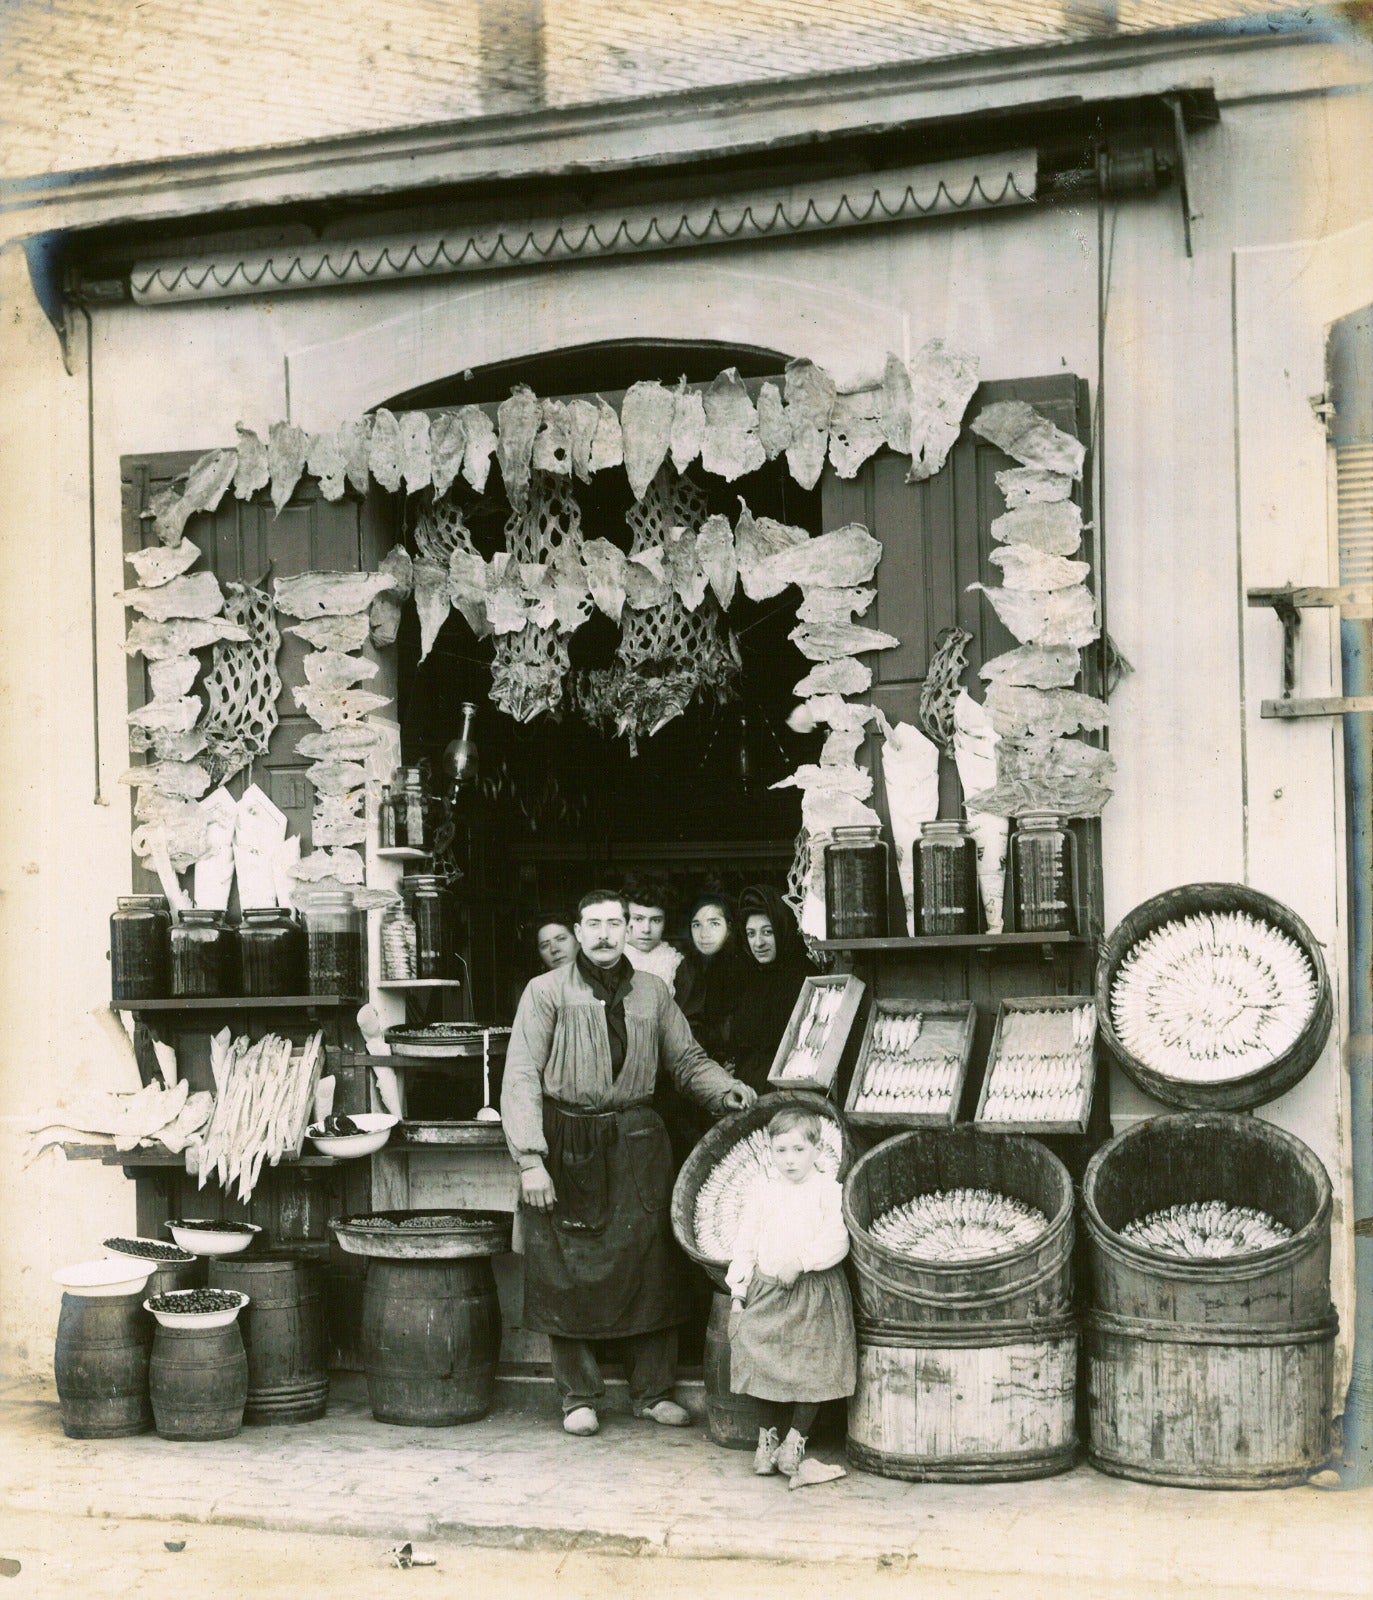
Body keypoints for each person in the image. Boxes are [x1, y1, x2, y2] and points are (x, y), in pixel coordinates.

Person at [501, 889, 757, 1437]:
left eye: (614, 924)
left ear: (627, 930)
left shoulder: (653, 993)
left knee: (651, 1267)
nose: (603, 935)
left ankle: (653, 1393)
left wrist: (724, 1090)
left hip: (638, 1144)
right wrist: (529, 1160)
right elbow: (521, 1074)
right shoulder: (545, 992)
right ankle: (577, 1397)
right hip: (565, 1143)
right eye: (592, 924)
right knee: (564, 1271)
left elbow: (686, 1060)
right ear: (577, 928)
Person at [726, 1104, 856, 1488]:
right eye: (781, 1150)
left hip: (814, 1291)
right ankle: (767, 1438)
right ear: (771, 1152)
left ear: (817, 1149)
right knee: (764, 1360)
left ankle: (795, 1440)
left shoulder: (828, 1191)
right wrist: (738, 1291)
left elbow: (837, 1239)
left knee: (810, 1364)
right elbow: (746, 1242)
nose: (790, 1160)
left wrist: (802, 1262)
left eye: (799, 1150)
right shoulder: (763, 1192)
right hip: (769, 1289)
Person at [729, 885, 818, 1095]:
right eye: (751, 934)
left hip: (792, 1091)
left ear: (782, 929)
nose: (758, 943)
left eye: (767, 932)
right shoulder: (748, 978)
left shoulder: (805, 977)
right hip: (748, 1093)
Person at [674, 893, 748, 1064]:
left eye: (714, 924)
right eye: (696, 925)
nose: (704, 934)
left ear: (729, 928)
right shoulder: (686, 968)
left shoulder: (742, 967)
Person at [621, 876, 683, 994]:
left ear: (665, 923)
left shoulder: (676, 965)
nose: (646, 929)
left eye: (656, 920)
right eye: (638, 919)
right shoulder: (607, 959)